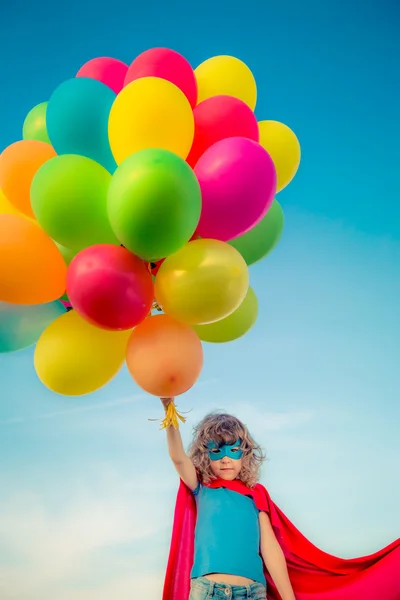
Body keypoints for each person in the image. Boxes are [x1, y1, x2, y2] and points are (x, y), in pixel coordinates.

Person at [160, 397, 296, 600]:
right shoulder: (202, 488)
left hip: (253, 593)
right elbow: (178, 457)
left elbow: (270, 548)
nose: (225, 459)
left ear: (245, 454)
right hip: (209, 591)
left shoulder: (255, 493)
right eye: (216, 451)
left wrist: (289, 598)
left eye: (233, 451)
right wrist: (169, 409)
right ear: (206, 454)